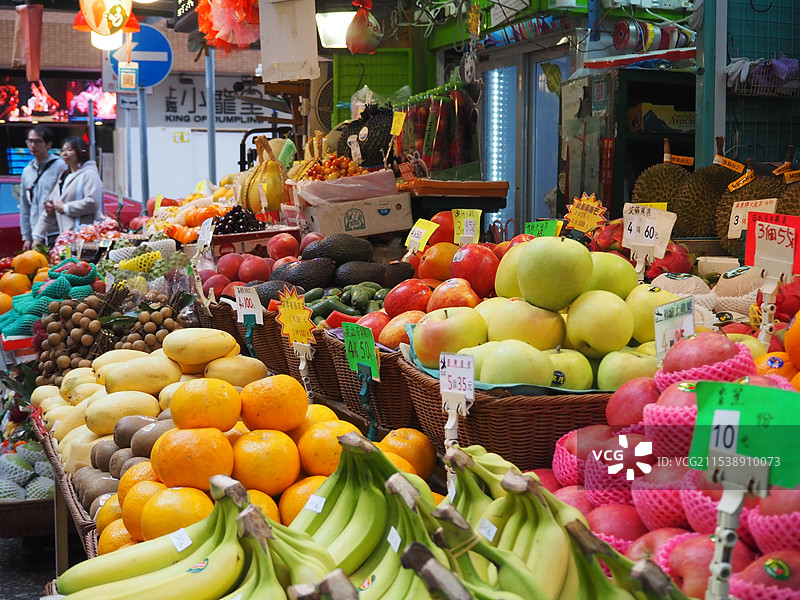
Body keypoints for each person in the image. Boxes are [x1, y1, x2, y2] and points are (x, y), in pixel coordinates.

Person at [31, 137, 104, 245]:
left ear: (81, 151)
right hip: (66, 239)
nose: (65, 153)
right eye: (63, 150)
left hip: (86, 240)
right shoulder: (63, 176)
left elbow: (93, 202)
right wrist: (37, 236)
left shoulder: (89, 174)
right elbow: (52, 207)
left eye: (70, 150)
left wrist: (66, 208)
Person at [19, 125, 67, 249]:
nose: (33, 145)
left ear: (48, 144)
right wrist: (27, 237)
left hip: (57, 233)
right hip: (36, 235)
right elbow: (25, 205)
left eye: (37, 141)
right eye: (30, 141)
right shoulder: (27, 171)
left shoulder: (61, 167)